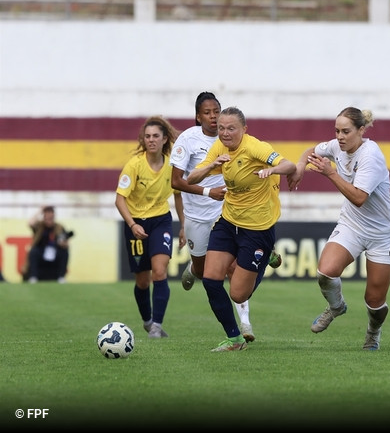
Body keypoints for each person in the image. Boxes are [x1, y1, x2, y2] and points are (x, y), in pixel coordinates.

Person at [287, 107, 390, 351]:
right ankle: (336, 307)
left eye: (346, 131)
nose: (340, 136)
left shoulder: (371, 156)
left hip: (382, 234)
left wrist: (330, 173)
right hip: (352, 225)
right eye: (337, 131)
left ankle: (373, 332)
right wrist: (300, 166)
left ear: (361, 131)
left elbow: (359, 197)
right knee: (326, 272)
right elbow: (310, 150)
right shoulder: (336, 146)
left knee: (374, 301)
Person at [186, 106, 296, 352]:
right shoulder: (219, 147)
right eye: (221, 128)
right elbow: (191, 178)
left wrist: (272, 170)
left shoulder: (256, 147)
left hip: (257, 228)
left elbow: (289, 166)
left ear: (244, 129)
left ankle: (265, 257)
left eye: (231, 128)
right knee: (211, 281)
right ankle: (235, 339)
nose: (225, 133)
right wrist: (211, 165)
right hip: (228, 221)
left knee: (238, 295)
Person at [170, 91, 274, 343]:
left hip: (226, 210)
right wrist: (208, 192)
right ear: (198, 117)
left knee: (233, 270)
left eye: (216, 111)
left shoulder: (231, 137)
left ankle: (244, 324)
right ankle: (194, 268)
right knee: (203, 272)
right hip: (197, 214)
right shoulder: (188, 139)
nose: (213, 117)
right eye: (207, 113)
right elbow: (176, 182)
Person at [115, 115, 185, 339]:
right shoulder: (134, 165)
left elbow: (178, 195)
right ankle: (147, 321)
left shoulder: (173, 165)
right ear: (143, 140)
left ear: (164, 139)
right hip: (135, 223)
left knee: (160, 271)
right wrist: (132, 224)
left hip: (160, 221)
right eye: (147, 136)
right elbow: (119, 199)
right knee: (142, 281)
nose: (151, 140)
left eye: (156, 136)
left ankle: (156, 325)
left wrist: (183, 225)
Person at [24, 205, 72, 284]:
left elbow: (66, 244)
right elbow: (30, 223)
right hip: (41, 251)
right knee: (33, 251)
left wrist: (63, 244)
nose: (49, 219)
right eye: (47, 216)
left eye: (51, 217)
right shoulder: (39, 226)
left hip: (55, 252)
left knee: (64, 252)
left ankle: (61, 277)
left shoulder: (59, 227)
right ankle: (33, 277)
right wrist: (40, 210)